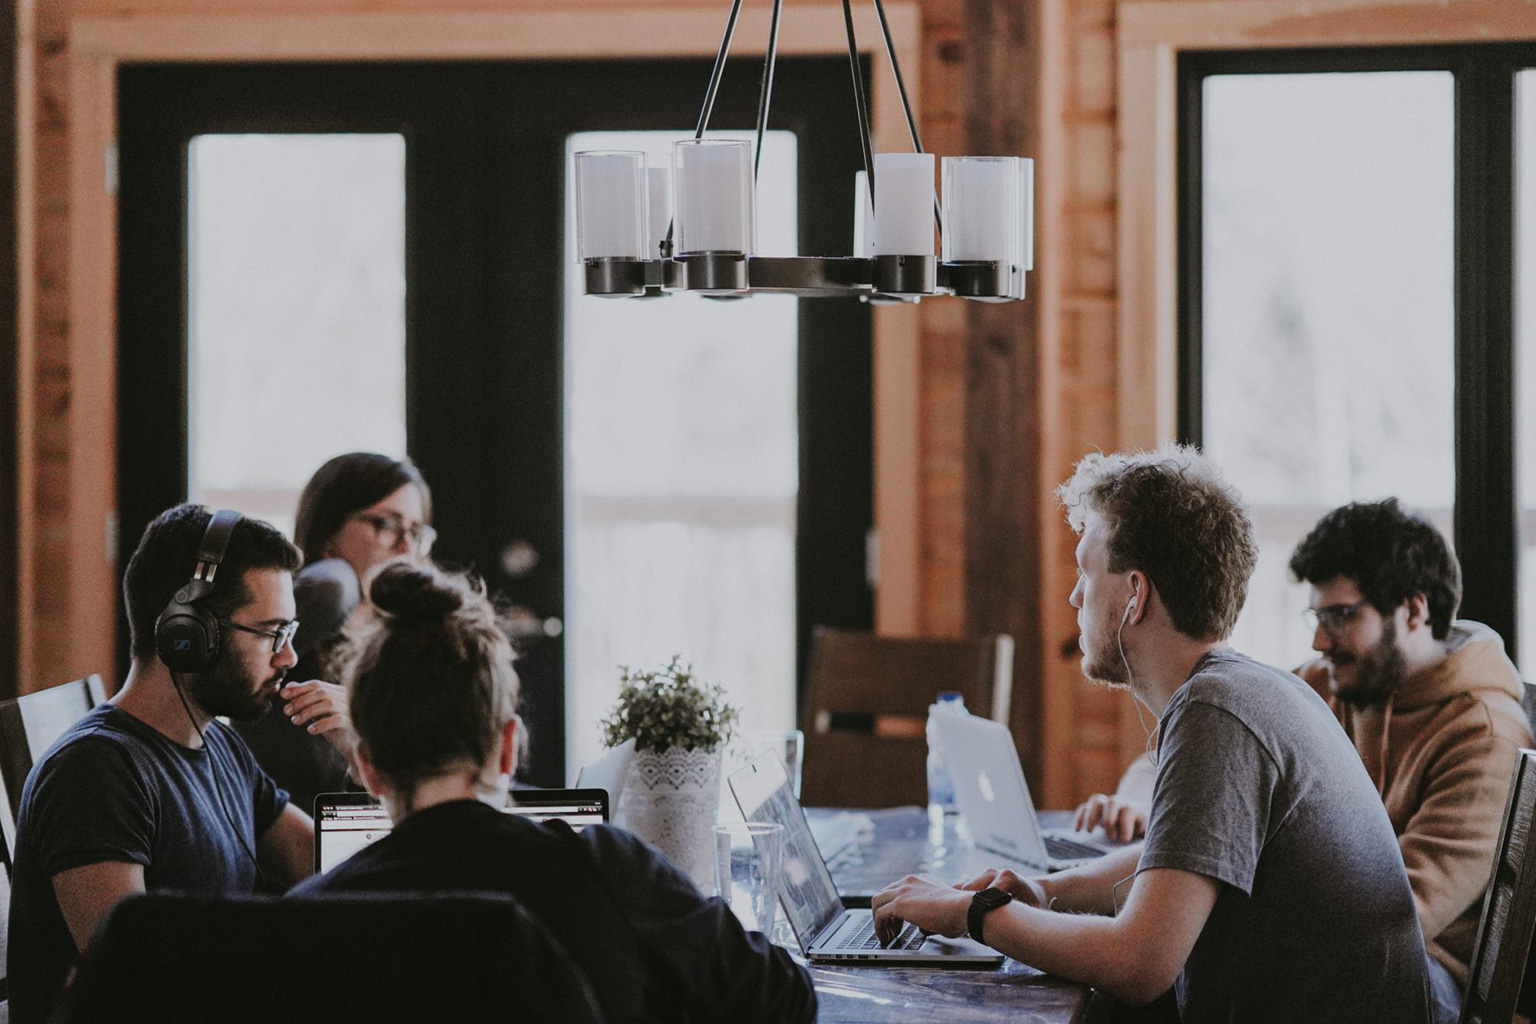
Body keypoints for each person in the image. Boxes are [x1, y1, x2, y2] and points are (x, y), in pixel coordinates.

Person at [871, 445, 1435, 1024]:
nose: (1074, 596)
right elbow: (1181, 855)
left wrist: (971, 912)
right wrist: (1046, 890)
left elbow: (1140, 963)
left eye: (1086, 573)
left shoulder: (1216, 710)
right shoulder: (1252, 689)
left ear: (1135, 595)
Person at [287, 560, 816, 1024]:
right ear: (507, 748)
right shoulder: (609, 871)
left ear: (368, 766)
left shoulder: (309, 919)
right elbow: (785, 1000)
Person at [7, 505, 354, 1024]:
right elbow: (136, 986)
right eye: (272, 633)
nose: (288, 658)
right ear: (187, 633)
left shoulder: (221, 746)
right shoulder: (95, 771)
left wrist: (362, 747)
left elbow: (340, 871)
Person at [1288, 498, 1532, 1019]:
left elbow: (1396, 918)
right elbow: (1208, 753)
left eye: (1341, 615)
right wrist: (1135, 800)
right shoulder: (1325, 684)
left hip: (1428, 979)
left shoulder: (1485, 733)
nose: (1319, 639)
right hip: (1340, 950)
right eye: (1316, 614)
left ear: (1414, 610)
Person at [234, 452, 434, 815]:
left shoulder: (411, 635)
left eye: (416, 532)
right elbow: (328, 587)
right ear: (329, 529)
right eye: (387, 524)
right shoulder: (304, 618)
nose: (406, 547)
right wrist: (339, 573)